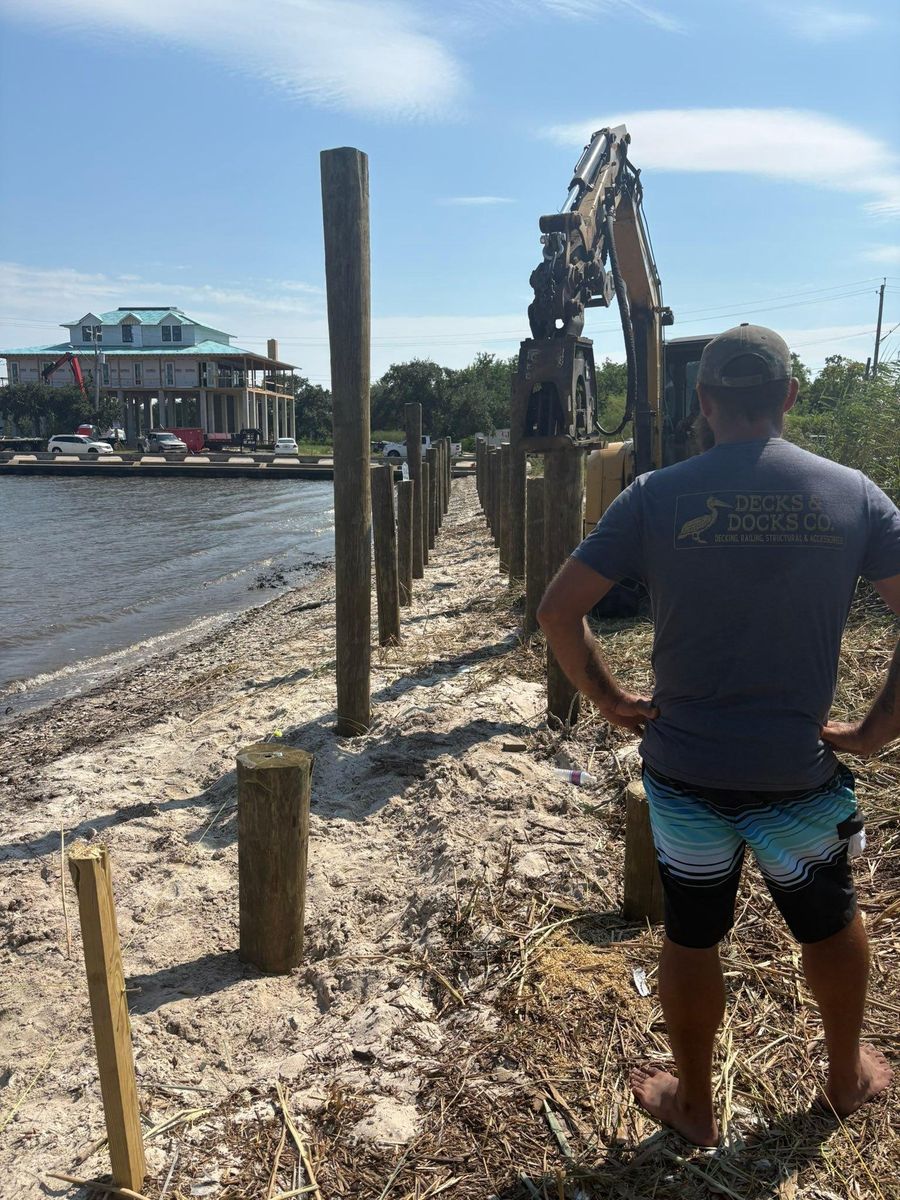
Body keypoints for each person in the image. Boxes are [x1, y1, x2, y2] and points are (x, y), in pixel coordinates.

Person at [538, 324, 899, 1146]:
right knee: (832, 921)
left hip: (686, 774)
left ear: (703, 405)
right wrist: (878, 729)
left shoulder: (655, 495)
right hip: (797, 773)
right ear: (790, 397)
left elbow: (558, 611)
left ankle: (695, 1108)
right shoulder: (855, 494)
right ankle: (845, 1080)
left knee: (692, 936)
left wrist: (611, 699)